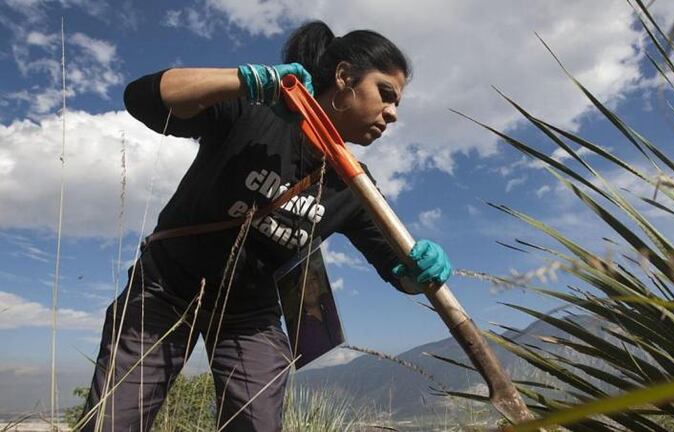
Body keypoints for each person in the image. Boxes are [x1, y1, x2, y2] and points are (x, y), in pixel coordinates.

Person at [78, 20, 452, 432]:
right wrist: (243, 81)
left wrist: (417, 271)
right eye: (385, 94)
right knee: (112, 421)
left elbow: (397, 269)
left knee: (257, 424)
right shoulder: (254, 114)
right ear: (344, 77)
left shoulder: (355, 186)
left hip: (251, 316)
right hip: (166, 291)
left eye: (396, 103)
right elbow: (144, 99)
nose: (393, 114)